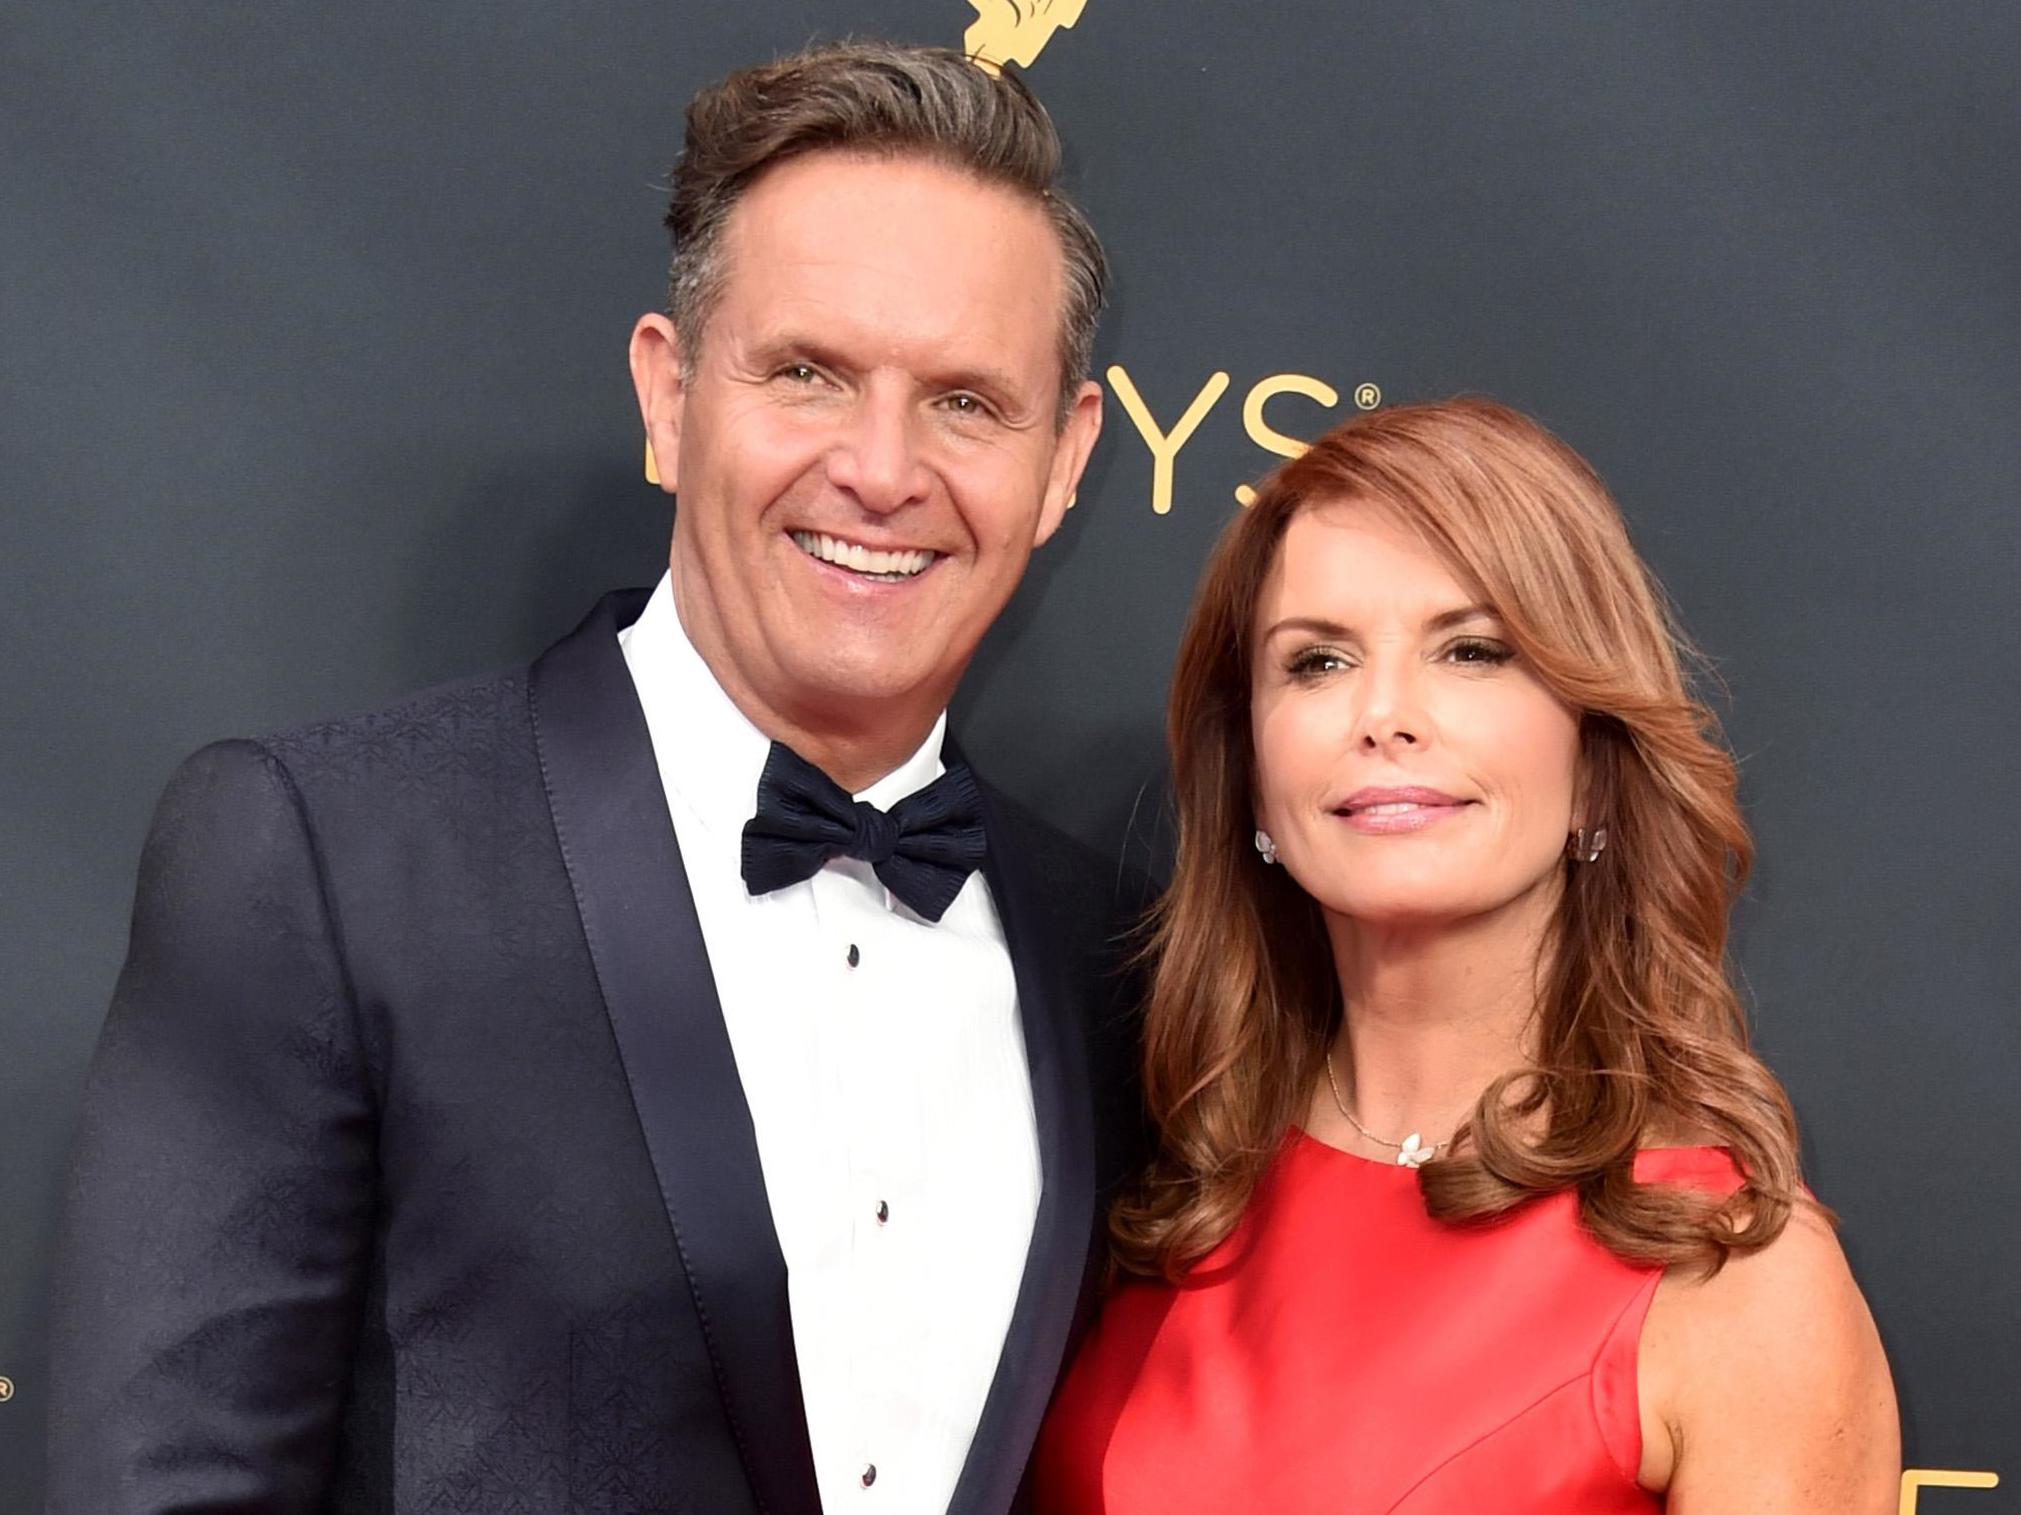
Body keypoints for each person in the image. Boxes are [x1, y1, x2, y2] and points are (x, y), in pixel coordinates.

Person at [49, 42, 1144, 1515]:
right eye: (807, 372)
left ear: (1066, 456)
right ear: (669, 392)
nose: (882, 470)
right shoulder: (321, 857)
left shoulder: (1115, 956)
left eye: (965, 401)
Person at [1033, 398, 1900, 1512]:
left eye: (1471, 650)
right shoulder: (1154, 1187)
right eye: (1316, 663)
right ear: (1248, 769)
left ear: (1592, 758)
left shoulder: (1732, 1282)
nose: (1383, 713)